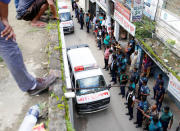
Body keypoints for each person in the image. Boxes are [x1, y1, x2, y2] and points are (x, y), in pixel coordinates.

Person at [0, 0, 57, 96]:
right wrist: (4, 19)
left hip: (21, 12)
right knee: (9, 44)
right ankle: (31, 86)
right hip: (24, 13)